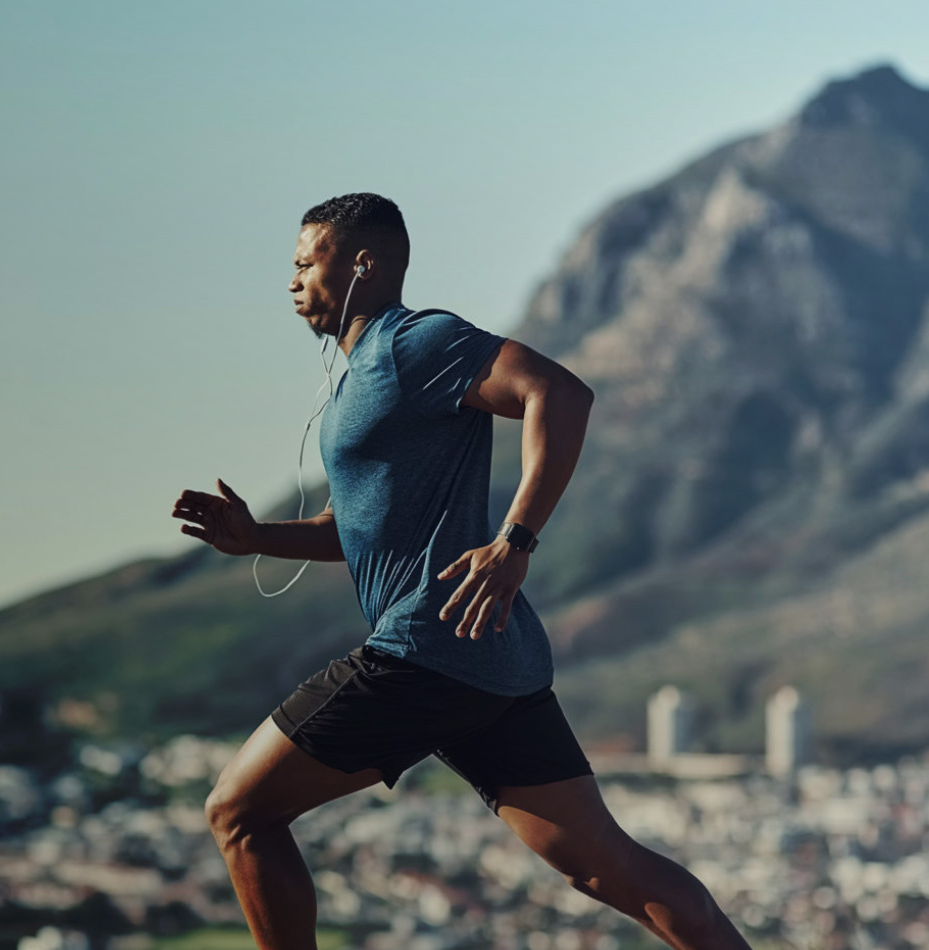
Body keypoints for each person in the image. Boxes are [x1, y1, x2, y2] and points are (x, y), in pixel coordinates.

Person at [171, 193, 751, 950]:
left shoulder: (416, 343)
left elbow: (561, 393)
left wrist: (515, 540)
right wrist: (256, 538)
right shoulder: (359, 381)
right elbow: (358, 531)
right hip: (489, 661)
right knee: (606, 868)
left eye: (306, 262)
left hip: (427, 650)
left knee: (237, 811)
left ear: (363, 264)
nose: (292, 280)